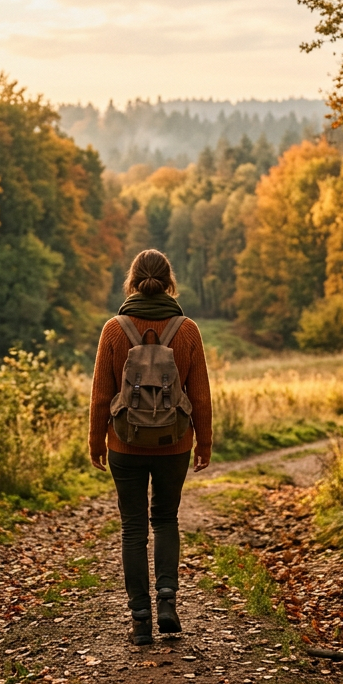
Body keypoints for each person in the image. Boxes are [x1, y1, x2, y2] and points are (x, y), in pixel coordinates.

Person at [88, 249, 213, 646]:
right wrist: (204, 442)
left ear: (132, 280)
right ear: (169, 281)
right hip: (175, 442)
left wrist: (96, 441)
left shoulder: (114, 329)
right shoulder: (187, 330)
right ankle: (167, 600)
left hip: (124, 442)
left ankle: (140, 618)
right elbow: (202, 395)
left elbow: (100, 395)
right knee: (166, 519)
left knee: (133, 527)